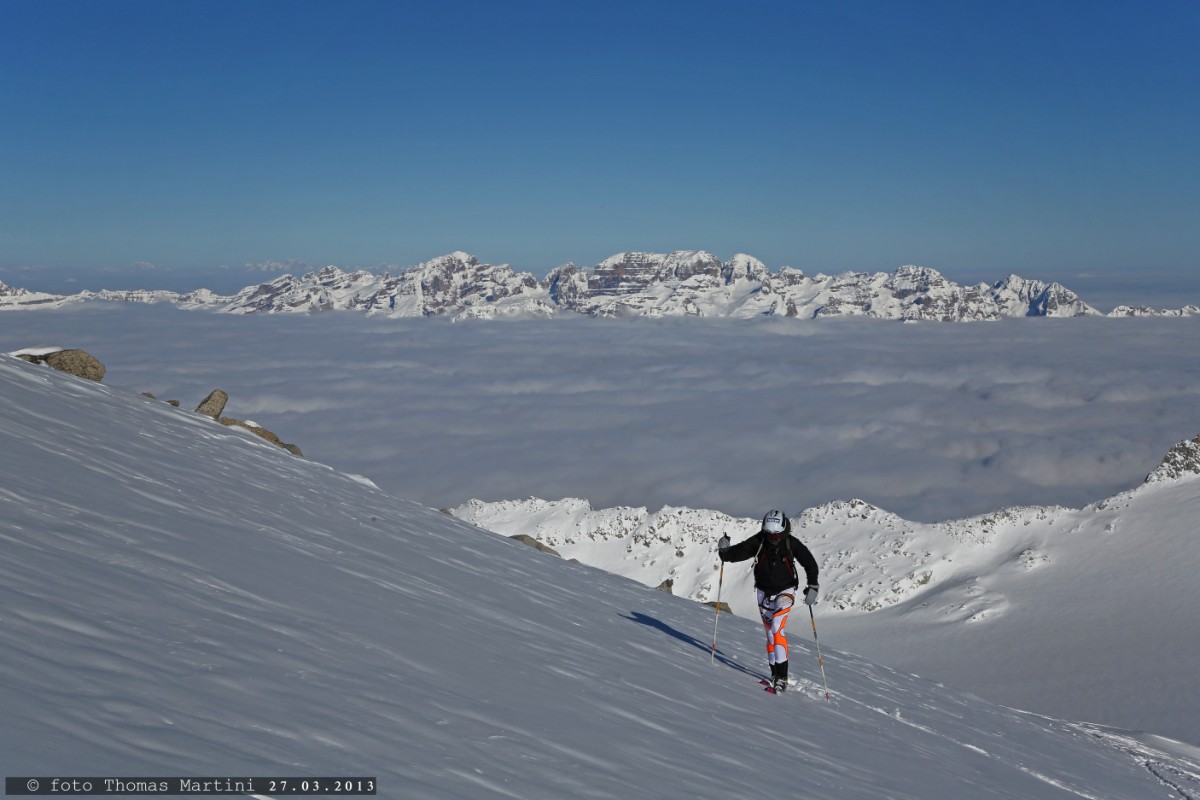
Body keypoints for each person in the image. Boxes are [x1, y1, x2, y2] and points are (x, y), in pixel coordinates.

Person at [718, 509, 819, 693]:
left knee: (777, 628)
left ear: (783, 531)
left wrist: (813, 585)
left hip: (785, 591)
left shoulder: (790, 543)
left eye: (777, 535)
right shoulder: (760, 541)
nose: (773, 538)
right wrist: (724, 551)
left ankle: (782, 679)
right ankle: (774, 675)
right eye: (770, 534)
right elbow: (738, 553)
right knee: (770, 635)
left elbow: (809, 563)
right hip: (763, 593)